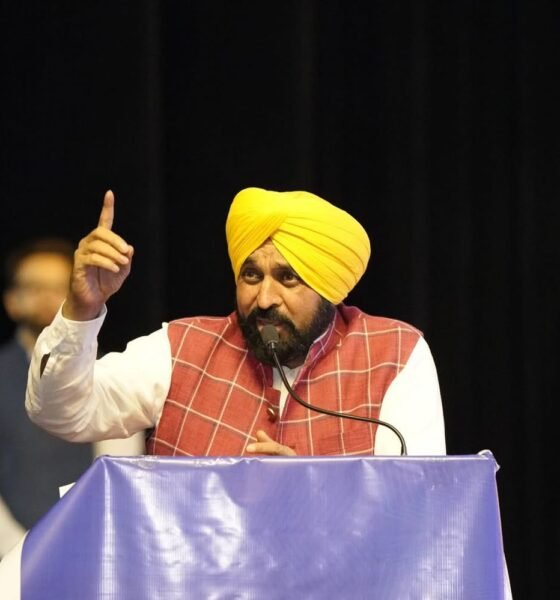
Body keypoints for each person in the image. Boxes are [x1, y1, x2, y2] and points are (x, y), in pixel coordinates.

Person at [25, 188, 446, 458]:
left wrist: (311, 494)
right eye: (251, 275)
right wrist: (81, 309)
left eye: (287, 278)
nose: (264, 299)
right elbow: (60, 413)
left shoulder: (393, 355)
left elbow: (418, 509)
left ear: (330, 288)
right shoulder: (182, 349)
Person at [0, 238, 144, 559]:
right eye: (35, 287)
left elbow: (119, 469)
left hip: (90, 547)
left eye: (59, 287)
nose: (47, 297)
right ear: (11, 301)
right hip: (7, 555)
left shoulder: (109, 371)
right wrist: (18, 550)